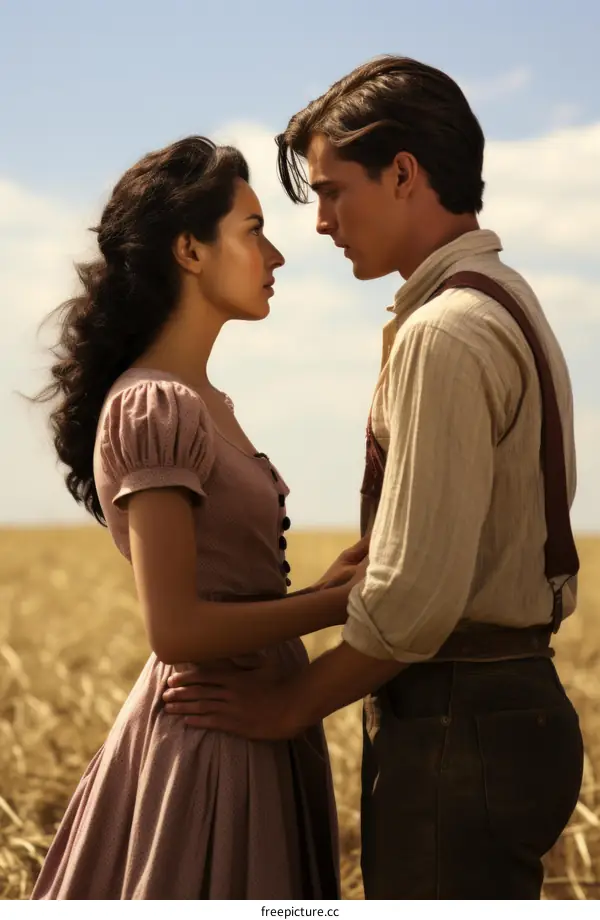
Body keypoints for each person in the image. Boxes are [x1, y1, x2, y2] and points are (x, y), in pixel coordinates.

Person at [162, 58, 585, 899]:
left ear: (403, 174)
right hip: (506, 705)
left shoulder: (444, 332)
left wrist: (287, 705)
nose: (320, 223)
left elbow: (413, 599)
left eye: (331, 191)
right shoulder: (505, 298)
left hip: (457, 718)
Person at [30, 135, 368, 900]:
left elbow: (228, 589)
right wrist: (335, 606)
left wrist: (318, 591)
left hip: (254, 719)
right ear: (189, 249)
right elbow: (177, 630)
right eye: (254, 231)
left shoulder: (205, 402)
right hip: (209, 742)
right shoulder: (156, 405)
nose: (276, 255)